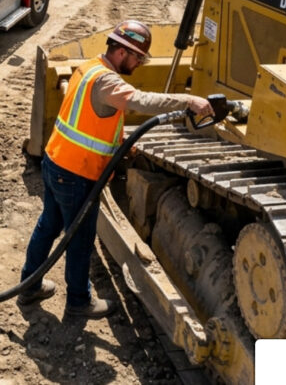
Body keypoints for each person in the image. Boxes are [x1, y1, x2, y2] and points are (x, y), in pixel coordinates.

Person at [18, 20, 213, 319]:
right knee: (80, 238)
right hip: (76, 174)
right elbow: (139, 101)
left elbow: (93, 117)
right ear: (122, 51)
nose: (139, 64)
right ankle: (79, 302)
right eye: (138, 57)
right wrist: (188, 100)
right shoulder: (109, 82)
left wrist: (120, 143)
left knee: (49, 225)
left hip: (56, 160)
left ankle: (28, 286)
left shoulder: (89, 67)